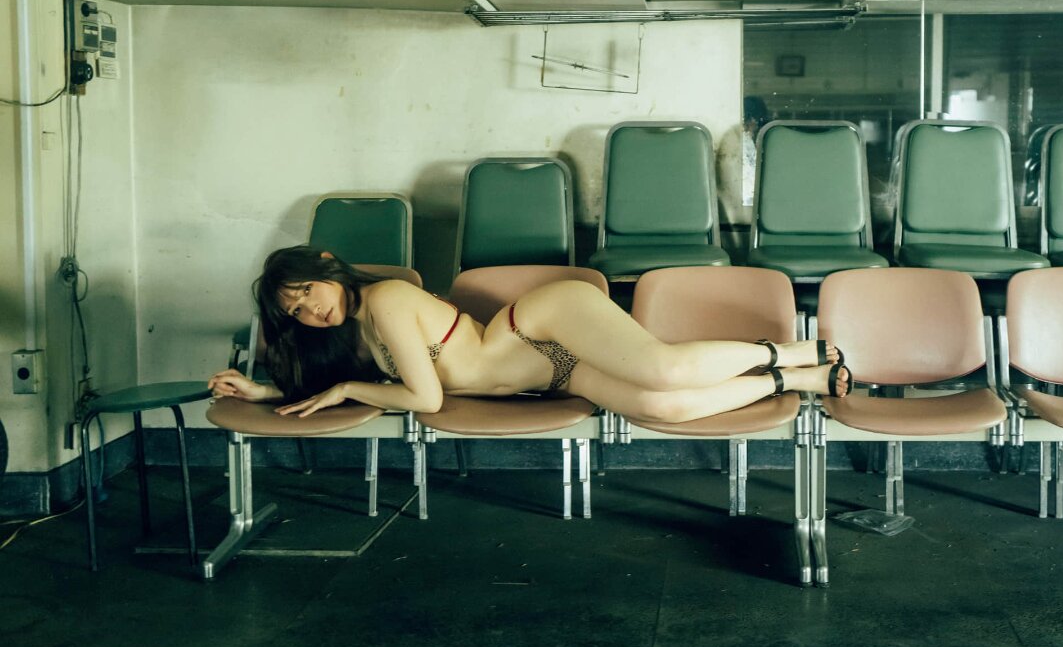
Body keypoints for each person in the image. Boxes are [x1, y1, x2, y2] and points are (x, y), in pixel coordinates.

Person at [208, 246, 849, 423]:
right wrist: (265, 392)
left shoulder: (387, 300)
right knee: (664, 407)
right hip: (551, 375)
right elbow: (339, 383)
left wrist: (352, 387)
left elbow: (425, 398)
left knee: (662, 370)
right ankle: (797, 381)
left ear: (328, 266)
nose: (309, 311)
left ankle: (789, 348)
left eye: (306, 292)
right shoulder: (357, 331)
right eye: (294, 311)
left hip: (537, 324)